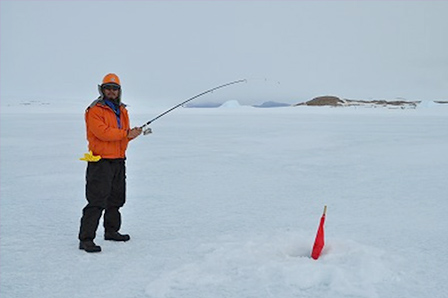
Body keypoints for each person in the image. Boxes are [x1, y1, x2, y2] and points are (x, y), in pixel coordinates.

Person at [78, 73, 142, 253]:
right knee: (97, 200)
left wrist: (131, 134)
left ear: (119, 91)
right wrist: (125, 134)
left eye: (114, 88)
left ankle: (111, 231)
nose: (111, 91)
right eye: (108, 88)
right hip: (100, 162)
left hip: (119, 161)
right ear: (102, 89)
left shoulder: (122, 110)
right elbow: (102, 133)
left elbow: (121, 136)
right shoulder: (95, 110)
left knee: (116, 199)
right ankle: (86, 239)